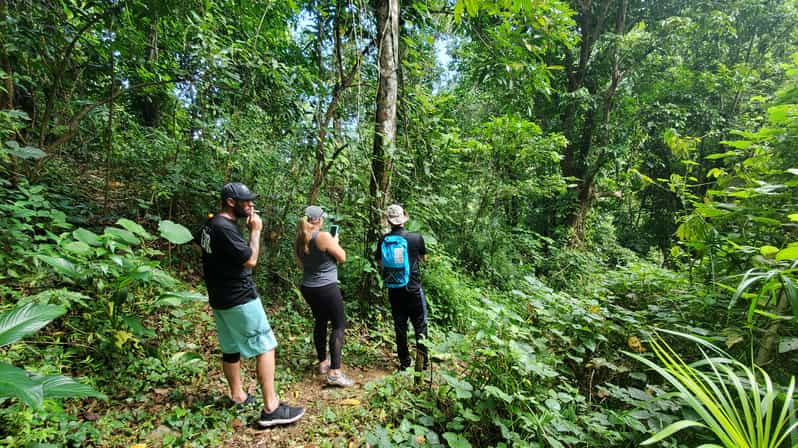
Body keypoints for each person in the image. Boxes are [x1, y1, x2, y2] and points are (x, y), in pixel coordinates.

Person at [198, 182, 304, 428]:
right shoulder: (225, 228)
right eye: (246, 201)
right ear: (231, 202)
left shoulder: (210, 224)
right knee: (266, 346)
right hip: (239, 297)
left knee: (231, 348)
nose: (251, 204)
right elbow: (251, 260)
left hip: (219, 297)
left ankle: (237, 396)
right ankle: (272, 408)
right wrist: (256, 231)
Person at [294, 205, 354, 387]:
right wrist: (335, 242)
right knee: (338, 325)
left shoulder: (299, 238)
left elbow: (300, 263)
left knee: (320, 321)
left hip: (308, 287)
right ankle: (335, 372)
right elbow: (342, 257)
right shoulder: (323, 236)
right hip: (326, 287)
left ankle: (323, 363)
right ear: (319, 220)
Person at [376, 204, 428, 371]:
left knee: (400, 326)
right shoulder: (416, 238)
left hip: (394, 288)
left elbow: (379, 263)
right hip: (413, 288)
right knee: (420, 325)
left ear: (389, 221)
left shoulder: (384, 240)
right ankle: (423, 362)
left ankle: (404, 362)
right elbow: (423, 259)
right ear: (403, 219)